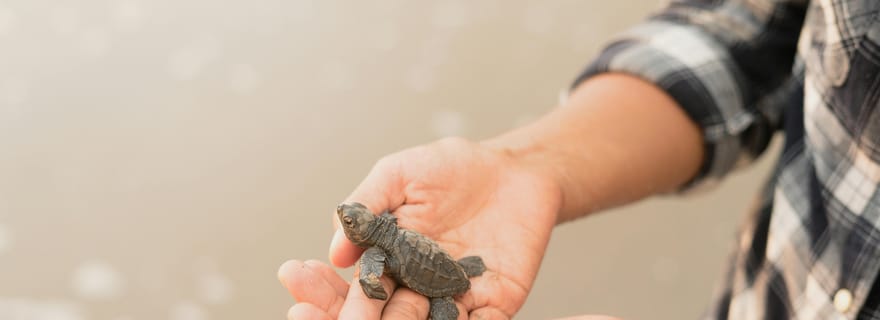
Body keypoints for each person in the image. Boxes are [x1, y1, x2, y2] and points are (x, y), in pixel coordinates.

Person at [278, 0, 880, 318]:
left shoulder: (383, 247)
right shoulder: (390, 234)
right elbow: (743, 30)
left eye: (354, 223)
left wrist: (374, 285)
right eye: (356, 218)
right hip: (768, 298)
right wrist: (523, 166)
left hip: (439, 281)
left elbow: (377, 270)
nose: (351, 222)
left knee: (435, 298)